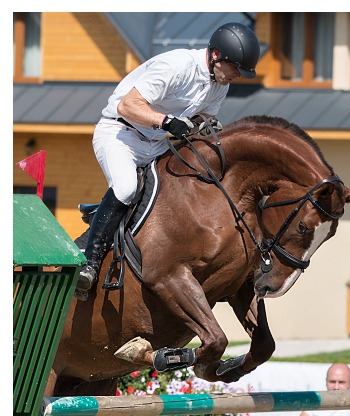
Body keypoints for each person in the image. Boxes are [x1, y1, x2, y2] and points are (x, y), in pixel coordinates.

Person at [75, 22, 261, 298]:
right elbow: (128, 106)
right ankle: (89, 264)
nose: (237, 75)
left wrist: (200, 125)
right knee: (126, 188)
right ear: (216, 55)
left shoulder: (219, 83)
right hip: (120, 135)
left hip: (157, 142)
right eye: (235, 68)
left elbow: (203, 116)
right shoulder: (176, 65)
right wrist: (166, 121)